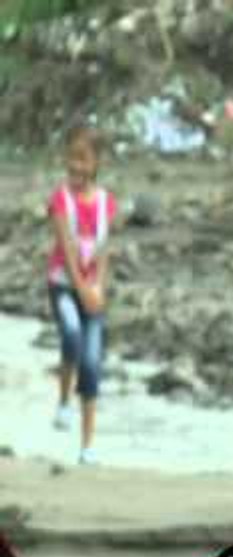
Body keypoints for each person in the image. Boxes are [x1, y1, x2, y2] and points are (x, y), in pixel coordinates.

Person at [46, 125, 118, 465]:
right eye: (71, 158)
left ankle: (87, 447)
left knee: (90, 363)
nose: (75, 166)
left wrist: (98, 287)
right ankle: (63, 402)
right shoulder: (61, 200)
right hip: (63, 285)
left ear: (96, 162)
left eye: (83, 159)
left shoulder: (106, 203)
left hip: (92, 291)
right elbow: (67, 249)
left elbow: (103, 250)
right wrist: (82, 289)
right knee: (72, 334)